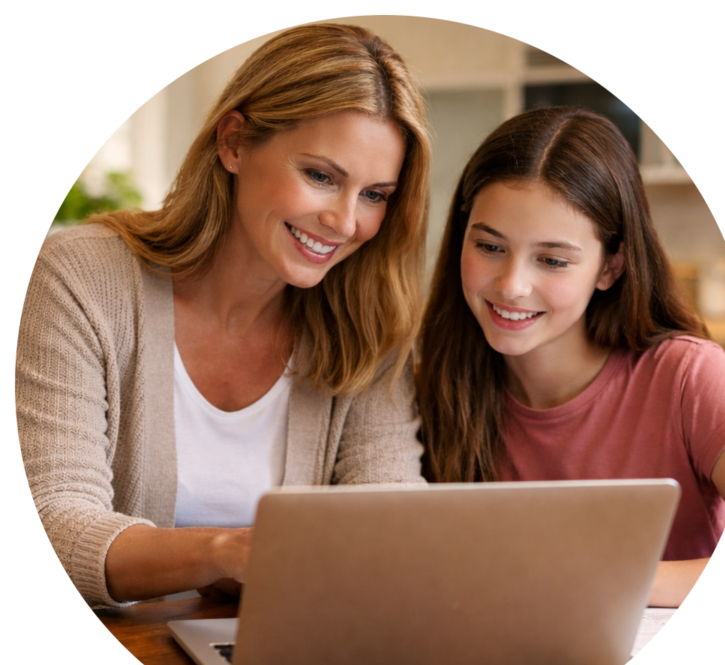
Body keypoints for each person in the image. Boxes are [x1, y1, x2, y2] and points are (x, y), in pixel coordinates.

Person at [17, 24, 431, 608]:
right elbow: (54, 521)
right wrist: (222, 553)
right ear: (233, 143)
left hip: (288, 659)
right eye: (320, 176)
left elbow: (387, 522)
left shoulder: (370, 324)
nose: (344, 222)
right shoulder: (83, 277)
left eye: (375, 195)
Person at [417, 106, 725, 608]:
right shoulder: (431, 390)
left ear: (610, 267)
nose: (512, 286)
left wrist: (599, 579)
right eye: (489, 246)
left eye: (552, 260)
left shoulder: (686, 377)